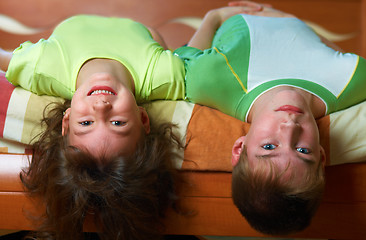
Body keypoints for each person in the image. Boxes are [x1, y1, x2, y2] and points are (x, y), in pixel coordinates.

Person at [0, 4, 263, 239]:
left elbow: (5, 57)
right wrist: (213, 18)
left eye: (86, 124)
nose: (101, 108)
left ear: (66, 121)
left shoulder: (39, 68)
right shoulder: (165, 77)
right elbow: (193, 54)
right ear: (143, 118)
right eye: (118, 123)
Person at [174, 1, 366, 236]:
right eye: (303, 151)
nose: (289, 127)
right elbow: (338, 55)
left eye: (269, 146)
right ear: (322, 154)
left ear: (240, 147)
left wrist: (213, 17)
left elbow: (182, 57)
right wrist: (288, 18)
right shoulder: (353, 83)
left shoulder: (209, 81)